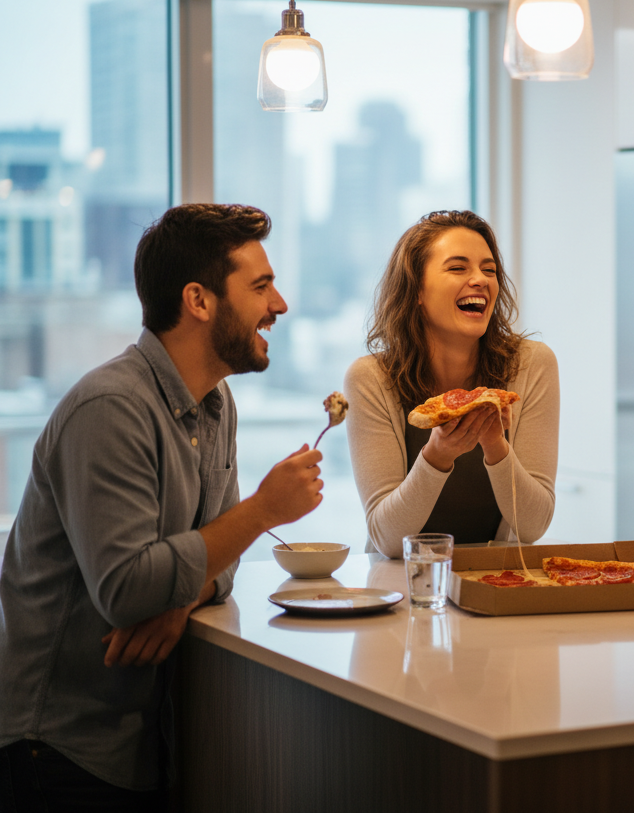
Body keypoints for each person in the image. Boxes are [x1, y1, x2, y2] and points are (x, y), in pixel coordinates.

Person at [0, 204, 324, 809]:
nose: (279, 305)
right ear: (198, 300)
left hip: (140, 741)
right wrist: (262, 511)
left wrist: (179, 597)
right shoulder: (110, 407)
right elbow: (127, 589)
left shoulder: (216, 403)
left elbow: (221, 563)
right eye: (261, 286)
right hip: (56, 747)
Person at [344, 210, 558, 558]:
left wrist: (496, 445)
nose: (480, 280)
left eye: (489, 270)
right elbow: (388, 539)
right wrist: (438, 455)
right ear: (416, 290)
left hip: (497, 575)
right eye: (458, 268)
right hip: (403, 579)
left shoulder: (532, 364)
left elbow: (532, 527)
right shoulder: (371, 378)